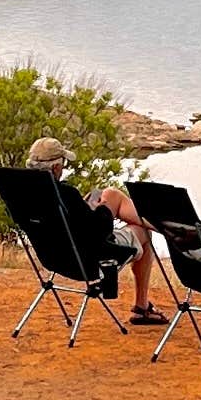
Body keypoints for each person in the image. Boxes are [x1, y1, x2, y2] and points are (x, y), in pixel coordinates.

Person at [27, 135, 165, 325]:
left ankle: (165, 227)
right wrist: (102, 208)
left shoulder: (25, 196)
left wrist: (84, 208)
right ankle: (169, 229)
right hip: (88, 260)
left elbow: (68, 223)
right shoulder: (65, 194)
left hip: (53, 257)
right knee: (140, 227)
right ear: (56, 167)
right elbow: (99, 231)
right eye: (63, 164)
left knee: (107, 194)